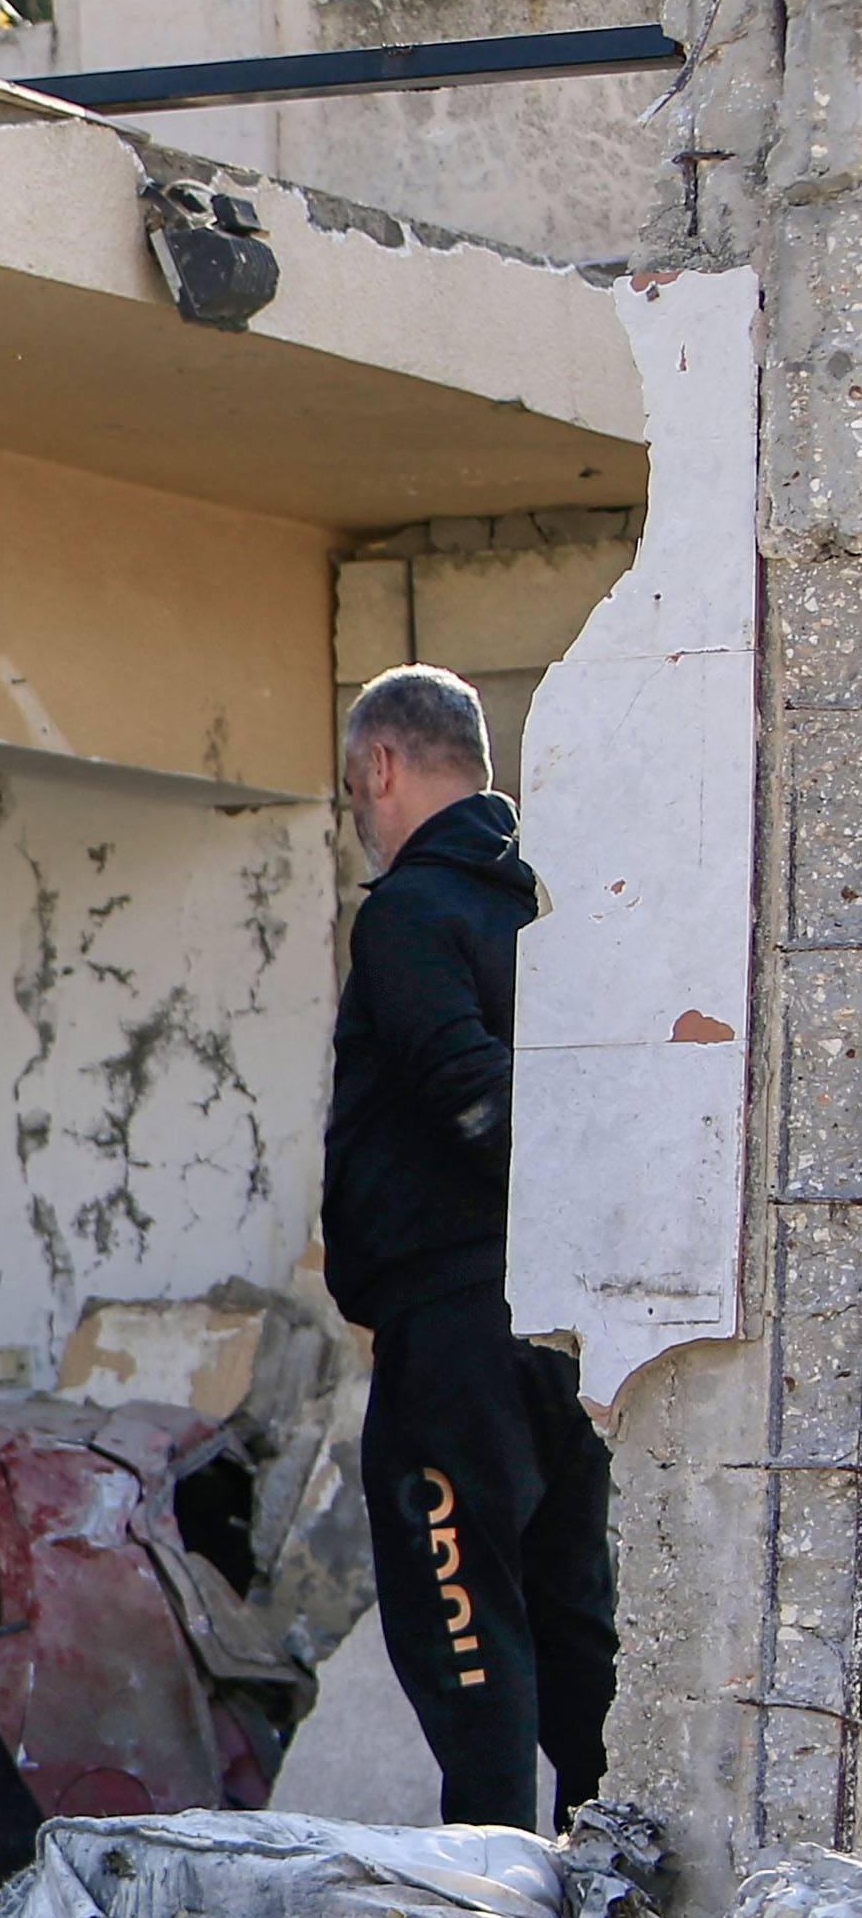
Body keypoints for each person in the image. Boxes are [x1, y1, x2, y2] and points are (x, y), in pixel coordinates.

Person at [322, 662, 615, 1829]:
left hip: (453, 1337)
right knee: (569, 1628)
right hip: (560, 1336)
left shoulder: (404, 912)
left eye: (353, 791)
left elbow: (464, 1091)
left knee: (465, 1645)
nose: (358, 815)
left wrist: (527, 1180)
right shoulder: (539, 912)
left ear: (382, 766)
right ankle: (627, 1896)